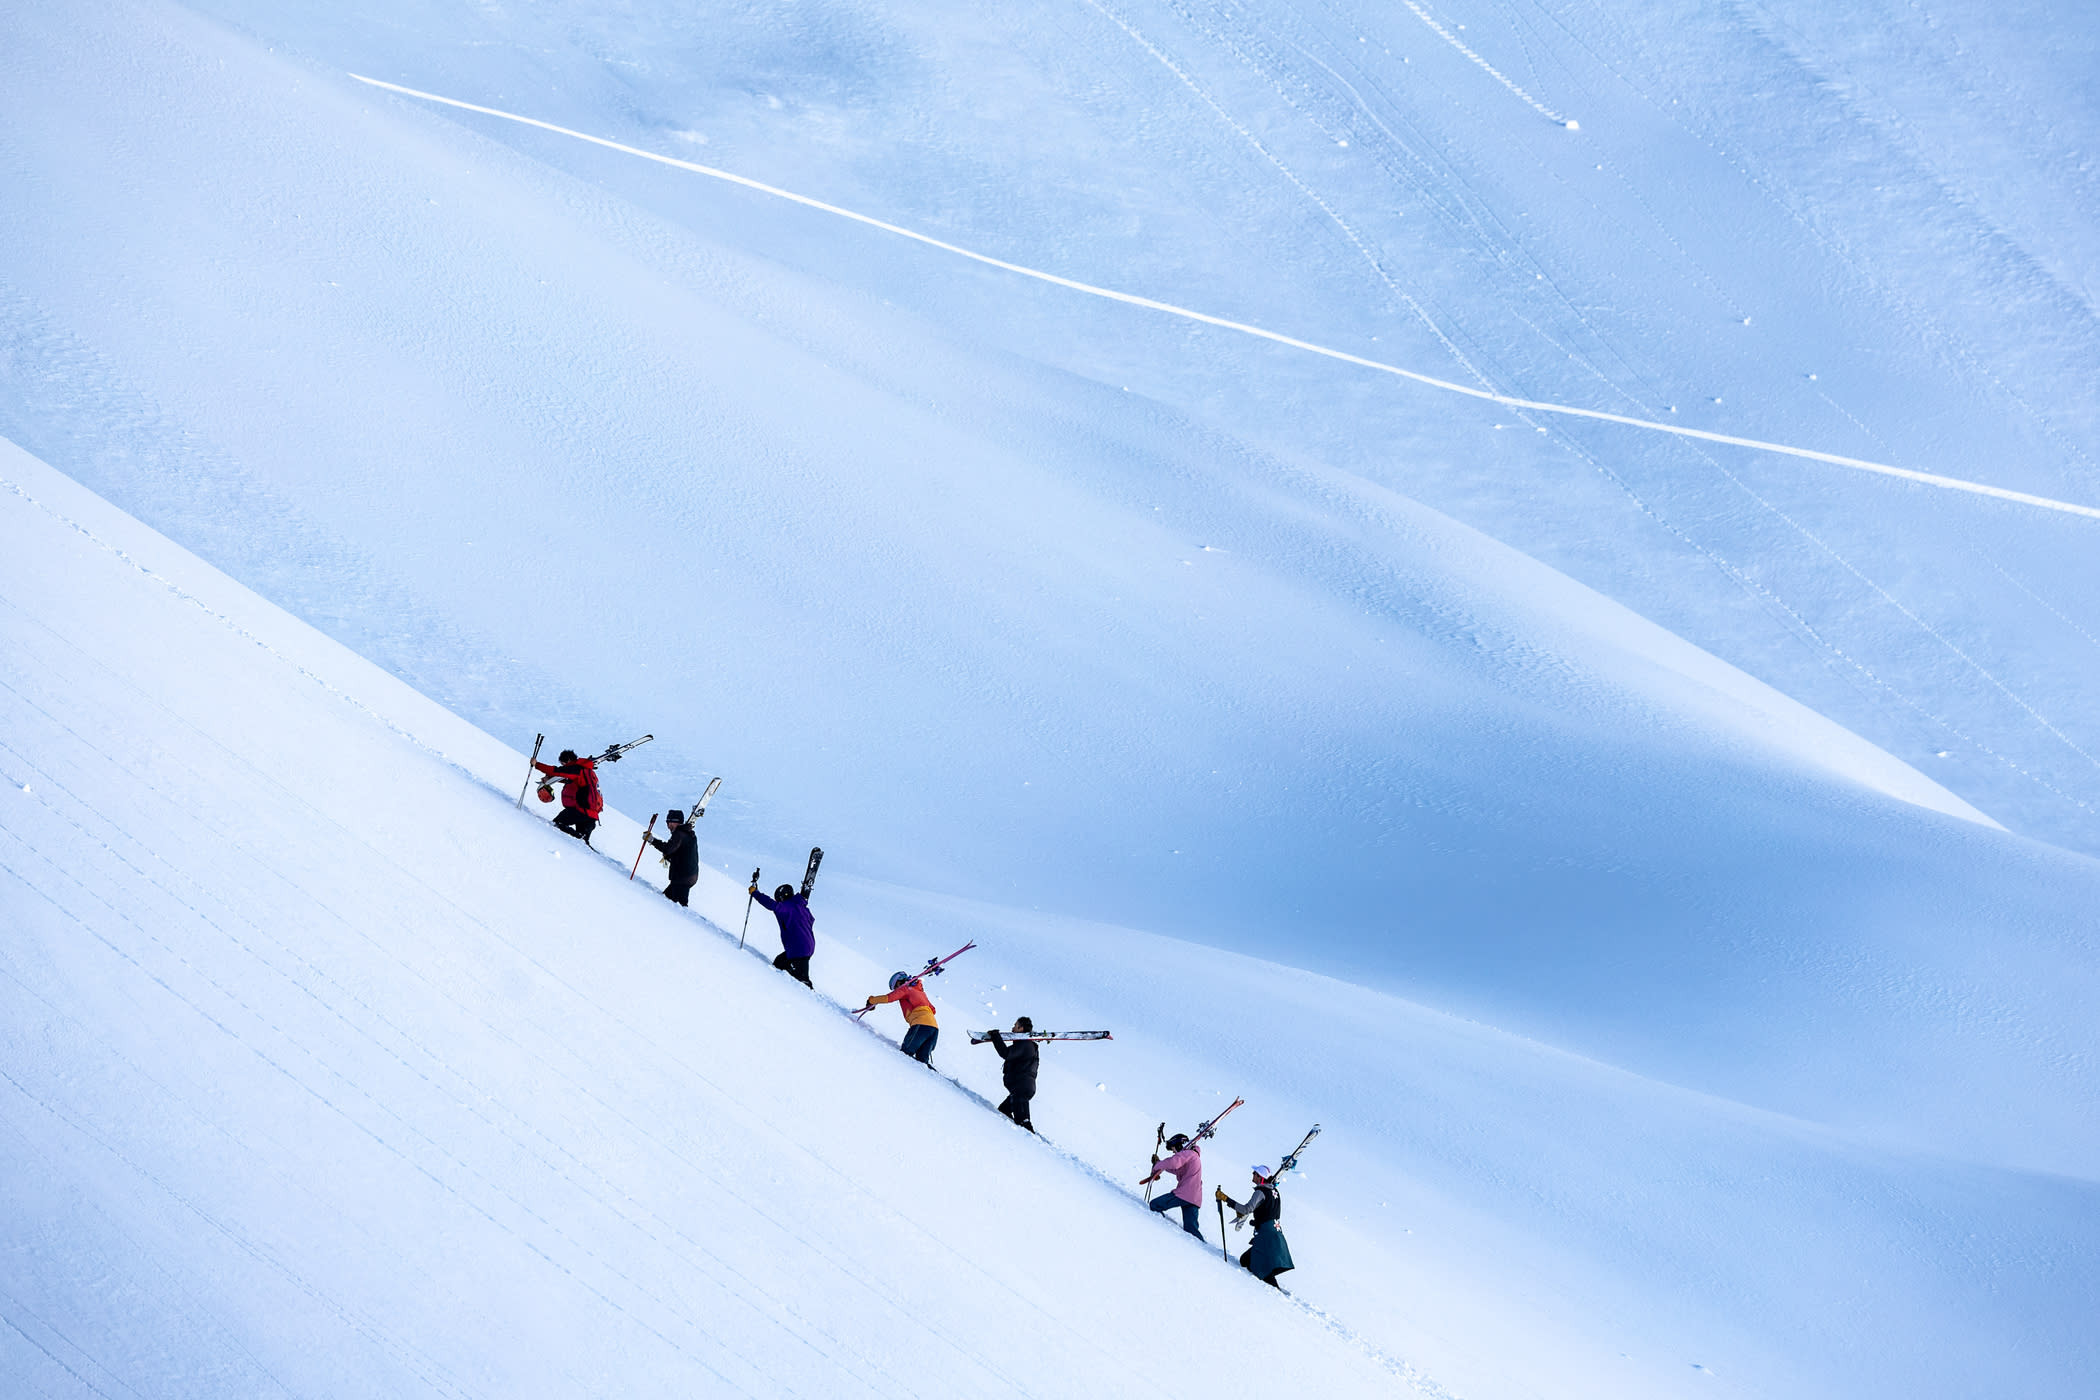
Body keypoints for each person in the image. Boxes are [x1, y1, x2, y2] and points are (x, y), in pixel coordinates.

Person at [1217, 1167, 1294, 1288]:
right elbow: (1270, 1213)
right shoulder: (1275, 1192)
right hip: (1276, 1234)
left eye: (1255, 1173)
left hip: (1266, 1236)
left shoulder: (1260, 1192)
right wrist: (1257, 1221)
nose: (1253, 1175)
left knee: (1261, 1268)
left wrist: (1226, 1199)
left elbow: (1246, 1209)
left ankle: (1275, 1294)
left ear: (1260, 1177)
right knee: (1246, 1260)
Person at [865, 971, 939, 1065]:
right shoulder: (920, 991)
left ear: (899, 982)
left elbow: (889, 998)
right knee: (922, 1061)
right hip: (934, 1029)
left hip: (921, 1025)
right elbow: (933, 1010)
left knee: (905, 1053)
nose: (896, 990)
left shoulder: (905, 989)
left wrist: (872, 1000)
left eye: (895, 987)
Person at [749, 883, 815, 985]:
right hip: (807, 946)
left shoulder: (786, 907)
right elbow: (811, 920)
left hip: (799, 949)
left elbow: (771, 904)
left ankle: (804, 993)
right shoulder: (801, 907)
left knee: (802, 981)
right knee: (778, 963)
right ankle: (788, 978)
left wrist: (755, 893)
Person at [1139, 1133, 1204, 1238]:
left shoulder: (1188, 1153)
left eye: (1173, 1149)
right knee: (1191, 1230)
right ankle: (1201, 1246)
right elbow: (1177, 1169)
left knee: (1155, 1205)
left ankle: (1160, 1232)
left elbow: (1174, 1163)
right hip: (1194, 1198)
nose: (1174, 1152)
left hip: (1184, 1194)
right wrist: (1160, 1165)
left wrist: (1157, 1166)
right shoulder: (1193, 1156)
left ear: (1179, 1145)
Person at [533, 748, 602, 845]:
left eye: (563, 764)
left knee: (557, 824)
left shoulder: (576, 768)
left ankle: (580, 838)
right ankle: (582, 840)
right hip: (592, 815)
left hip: (582, 811)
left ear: (568, 760)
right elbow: (571, 780)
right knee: (582, 844)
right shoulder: (587, 771)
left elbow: (556, 771)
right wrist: (549, 778)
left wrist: (536, 764)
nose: (563, 767)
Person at [983, 1017, 1039, 1132]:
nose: (1012, 1029)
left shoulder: (1025, 1044)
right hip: (1021, 1088)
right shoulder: (1024, 1044)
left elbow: (1006, 1053)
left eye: (1015, 1026)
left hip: (1021, 1088)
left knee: (1024, 1123)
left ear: (1021, 1028)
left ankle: (1029, 1141)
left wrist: (995, 1037)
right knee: (1003, 1111)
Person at [648, 809, 699, 906]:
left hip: (682, 877)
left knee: (676, 906)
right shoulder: (688, 833)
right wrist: (670, 857)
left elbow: (668, 849)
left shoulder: (679, 834)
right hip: (688, 876)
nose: (668, 826)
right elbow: (682, 852)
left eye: (669, 823)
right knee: (668, 899)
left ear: (675, 822)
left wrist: (652, 840)